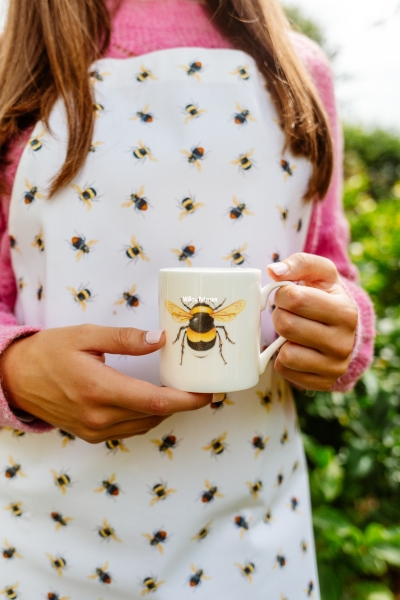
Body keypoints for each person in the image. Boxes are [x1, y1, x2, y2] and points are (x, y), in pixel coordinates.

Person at [0, 0, 375, 598]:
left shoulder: (298, 70)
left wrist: (341, 331)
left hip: (250, 536)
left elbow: (331, 266)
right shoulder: (16, 70)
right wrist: (14, 367)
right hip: (42, 534)